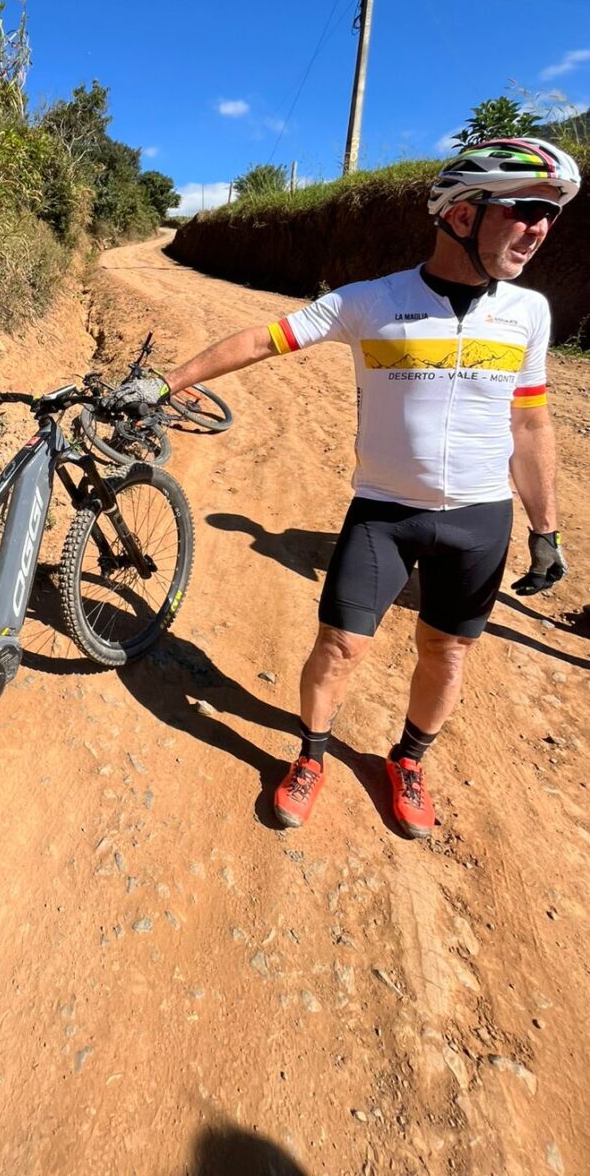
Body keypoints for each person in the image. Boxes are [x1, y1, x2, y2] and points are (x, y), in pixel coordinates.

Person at [112, 138, 580, 838]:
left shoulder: (528, 313)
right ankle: (310, 755)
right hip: (384, 513)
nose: (539, 229)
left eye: (549, 214)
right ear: (458, 215)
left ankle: (407, 762)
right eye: (522, 210)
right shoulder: (372, 301)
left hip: (480, 518)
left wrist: (544, 529)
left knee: (446, 651)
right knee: (338, 646)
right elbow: (260, 339)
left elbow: (531, 422)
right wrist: (161, 381)